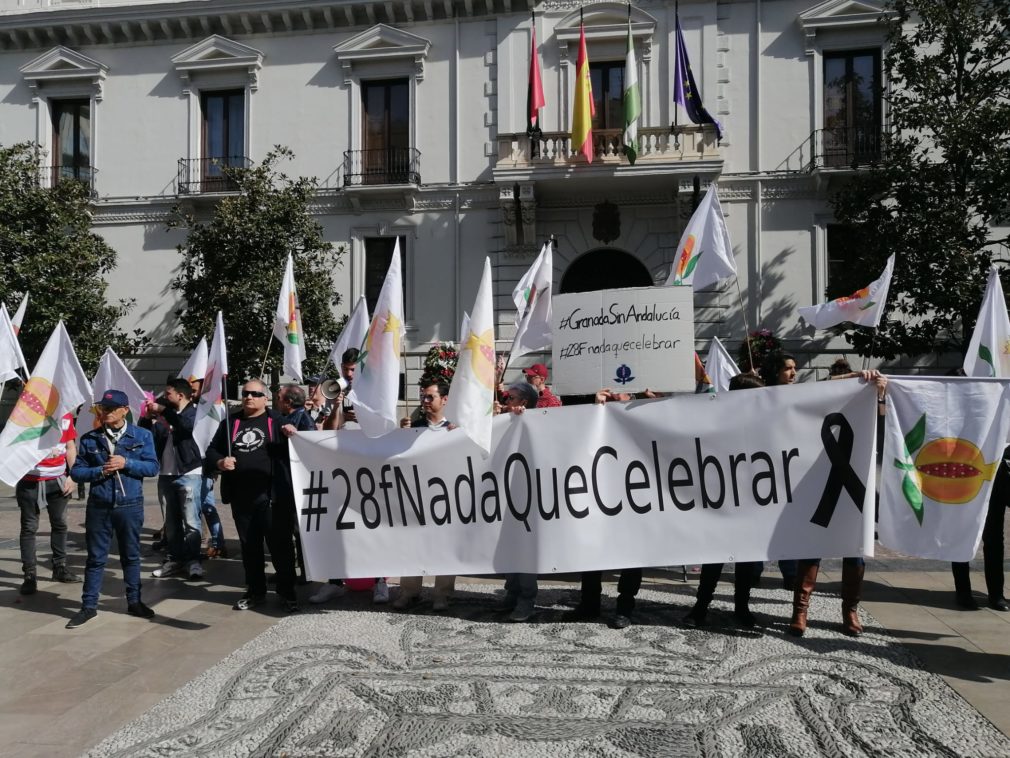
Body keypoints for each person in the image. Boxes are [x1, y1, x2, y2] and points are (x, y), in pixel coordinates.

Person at [789, 369, 888, 637]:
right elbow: (819, 388)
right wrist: (856, 375)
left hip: (854, 480)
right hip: (820, 479)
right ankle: (800, 609)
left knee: (854, 544)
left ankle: (850, 610)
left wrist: (879, 391)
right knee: (812, 542)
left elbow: (883, 423)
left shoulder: (868, 403)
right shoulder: (826, 399)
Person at [66, 389, 160, 628]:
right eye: (102, 408)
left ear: (125, 410)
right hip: (99, 505)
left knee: (130, 556)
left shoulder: (142, 435)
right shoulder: (90, 439)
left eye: (111, 408)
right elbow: (76, 472)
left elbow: (152, 468)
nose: (105, 412)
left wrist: (126, 462)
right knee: (96, 558)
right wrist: (100, 471)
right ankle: (88, 606)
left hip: (130, 504)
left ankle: (134, 601)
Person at [205, 378, 298, 612]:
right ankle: (255, 591)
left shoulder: (276, 421)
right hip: (241, 497)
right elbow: (211, 451)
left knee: (281, 547)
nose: (249, 397)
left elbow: (302, 441)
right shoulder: (230, 423)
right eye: (246, 393)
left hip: (272, 498)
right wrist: (220, 461)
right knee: (250, 548)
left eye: (255, 394)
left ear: (265, 398)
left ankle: (287, 592)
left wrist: (293, 434)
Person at [683, 373, 766, 628]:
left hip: (749, 501)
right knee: (714, 559)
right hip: (721, 500)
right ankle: (701, 607)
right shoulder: (715, 420)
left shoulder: (762, 420)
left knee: (746, 560)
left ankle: (742, 607)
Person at [565, 388, 643, 630]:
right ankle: (589, 603)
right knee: (592, 549)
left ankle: (625, 607)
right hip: (598, 491)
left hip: (631, 493)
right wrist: (594, 406)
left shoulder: (640, 413)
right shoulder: (597, 411)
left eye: (619, 391)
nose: (613, 394)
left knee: (632, 554)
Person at [394, 377, 456, 611]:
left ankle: (442, 594)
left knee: (444, 546)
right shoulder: (413, 425)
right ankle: (409, 591)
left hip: (446, 497)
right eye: (423, 396)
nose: (425, 401)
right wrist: (401, 435)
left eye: (431, 396)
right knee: (412, 543)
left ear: (444, 399)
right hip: (416, 495)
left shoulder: (454, 428)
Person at [494, 381, 542, 622]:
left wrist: (523, 419)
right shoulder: (503, 420)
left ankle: (526, 598)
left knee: (525, 548)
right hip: (504, 494)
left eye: (510, 398)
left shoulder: (537, 422)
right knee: (507, 545)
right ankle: (511, 592)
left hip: (528, 496)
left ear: (523, 402)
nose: (506, 402)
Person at [148, 378, 205, 581]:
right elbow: (150, 435)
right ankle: (175, 559)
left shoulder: (194, 412)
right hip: (166, 473)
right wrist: (148, 418)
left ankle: (193, 561)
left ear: (180, 395)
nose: (164, 397)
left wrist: (163, 411)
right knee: (171, 522)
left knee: (191, 521)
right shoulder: (164, 416)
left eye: (168, 393)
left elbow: (184, 428)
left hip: (188, 473)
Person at [17, 411, 80, 595]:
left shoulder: (66, 415)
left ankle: (59, 567)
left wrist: (73, 476)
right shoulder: (27, 411)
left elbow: (70, 447)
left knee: (60, 524)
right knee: (29, 527)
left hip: (58, 480)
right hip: (30, 481)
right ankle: (29, 575)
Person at [951, 444, 1009, 611]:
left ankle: (996, 594)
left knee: (994, 536)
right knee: (962, 533)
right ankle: (963, 591)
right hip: (965, 463)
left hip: (997, 467)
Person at [760, 350, 800, 589]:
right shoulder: (759, 395)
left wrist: (858, 375)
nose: (793, 372)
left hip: (790, 470)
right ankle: (753, 569)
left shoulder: (799, 394)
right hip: (761, 470)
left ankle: (791, 574)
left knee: (788, 524)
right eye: (788, 368)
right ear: (775, 370)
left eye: (794, 368)